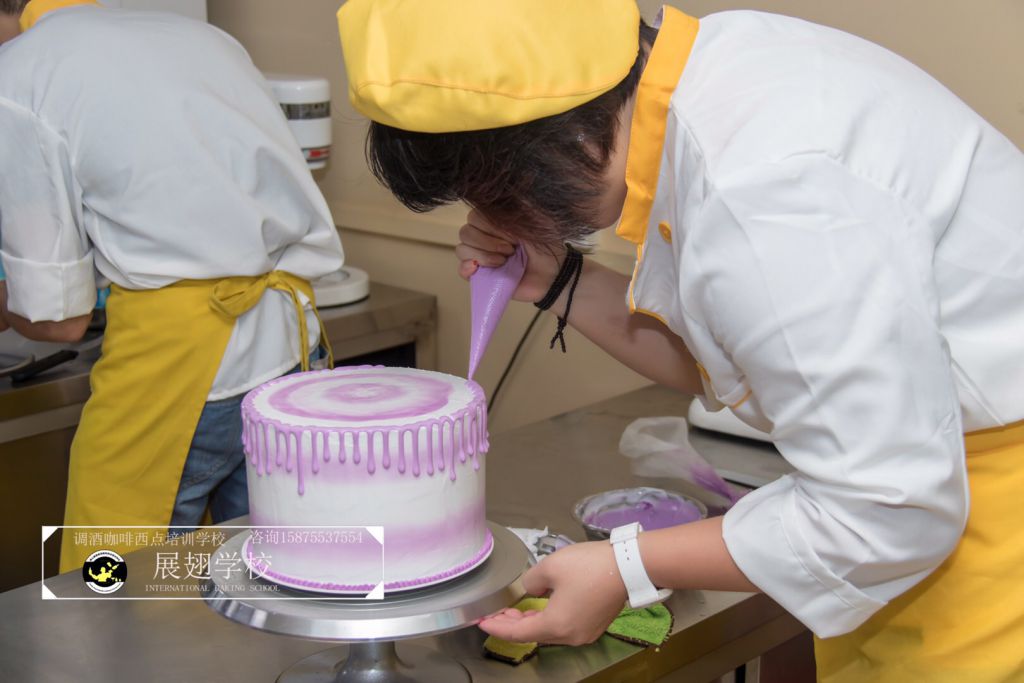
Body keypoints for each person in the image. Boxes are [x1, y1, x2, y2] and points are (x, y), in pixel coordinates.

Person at [337, 1, 1024, 680]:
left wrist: (624, 565)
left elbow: (886, 514)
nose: (490, 217)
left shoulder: (767, 196)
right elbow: (729, 360)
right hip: (919, 490)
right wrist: (559, 279)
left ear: (562, 141)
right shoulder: (712, 75)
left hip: (989, 525)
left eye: (493, 190)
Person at [0, 0, 344, 570]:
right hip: (290, 352)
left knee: (121, 588)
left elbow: (58, 321)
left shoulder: (17, 76)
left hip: (179, 375)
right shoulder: (198, 36)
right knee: (271, 580)